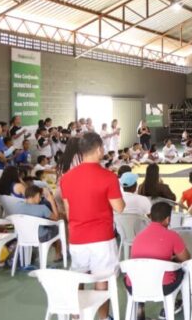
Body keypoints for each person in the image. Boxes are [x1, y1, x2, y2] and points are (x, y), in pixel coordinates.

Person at [60, 132, 125, 320]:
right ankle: (103, 317)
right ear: (98, 150)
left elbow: (68, 211)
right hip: (102, 238)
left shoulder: (67, 178)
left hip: (77, 237)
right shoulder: (108, 177)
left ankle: (75, 316)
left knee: (78, 277)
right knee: (102, 280)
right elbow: (119, 208)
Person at [127, 202, 189, 320]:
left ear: (150, 217)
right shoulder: (172, 235)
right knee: (183, 270)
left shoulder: (138, 236)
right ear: (168, 219)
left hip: (135, 284)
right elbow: (186, 259)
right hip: (162, 285)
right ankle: (171, 306)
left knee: (143, 271)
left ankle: (140, 311)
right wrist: (174, 258)